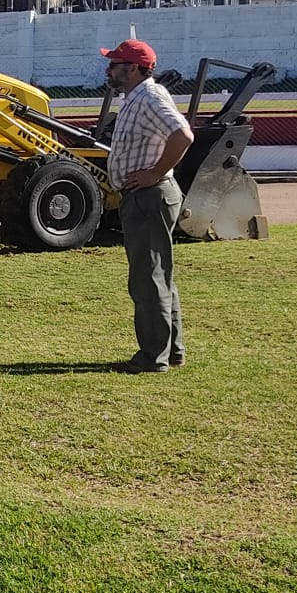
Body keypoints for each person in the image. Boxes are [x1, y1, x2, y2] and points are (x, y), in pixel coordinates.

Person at [101, 39, 195, 373]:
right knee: (158, 275)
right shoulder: (136, 97)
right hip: (145, 196)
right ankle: (172, 350)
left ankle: (153, 356)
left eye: (115, 64)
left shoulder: (149, 97)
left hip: (148, 197)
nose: (109, 70)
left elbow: (183, 135)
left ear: (133, 69)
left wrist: (154, 173)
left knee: (148, 279)